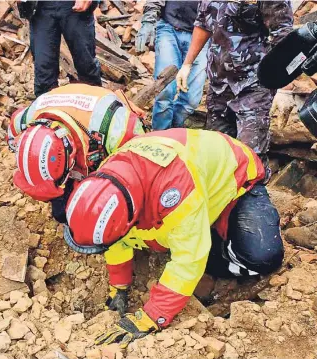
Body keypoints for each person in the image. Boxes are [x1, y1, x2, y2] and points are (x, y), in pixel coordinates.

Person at [63, 129, 283, 347]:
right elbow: (113, 240)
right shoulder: (107, 184)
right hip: (193, 183)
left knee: (262, 255)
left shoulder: (175, 195)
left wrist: (153, 315)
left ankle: (220, 252)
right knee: (168, 237)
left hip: (236, 180)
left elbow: (188, 259)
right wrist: (119, 286)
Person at [176, 1, 293, 177]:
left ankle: (254, 202)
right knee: (216, 157)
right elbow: (203, 23)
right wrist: (187, 64)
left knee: (250, 161)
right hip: (218, 86)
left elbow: (283, 39)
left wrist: (284, 86)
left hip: (254, 85)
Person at [9, 83, 146, 223]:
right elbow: (12, 130)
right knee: (62, 211)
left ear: (70, 155)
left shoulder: (117, 129)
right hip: (75, 118)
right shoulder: (27, 119)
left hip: (101, 119)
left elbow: (140, 169)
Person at [136, 1, 207, 130]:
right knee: (165, 91)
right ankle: (158, 136)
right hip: (169, 28)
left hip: (203, 36)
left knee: (191, 99)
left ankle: (173, 132)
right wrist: (148, 20)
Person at [20, 0, 102, 97]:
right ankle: (48, 110)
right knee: (44, 71)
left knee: (86, 65)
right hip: (40, 8)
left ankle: (93, 106)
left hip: (74, 6)